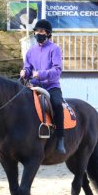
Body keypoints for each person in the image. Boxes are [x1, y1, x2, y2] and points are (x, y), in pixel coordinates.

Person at [20, 19, 66, 154]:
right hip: (33, 86)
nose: (38, 33)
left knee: (57, 104)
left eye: (41, 31)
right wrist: (25, 72)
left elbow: (57, 70)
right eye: (36, 31)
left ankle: (60, 139)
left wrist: (40, 74)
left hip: (51, 87)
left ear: (48, 33)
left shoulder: (54, 49)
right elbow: (28, 68)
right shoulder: (30, 51)